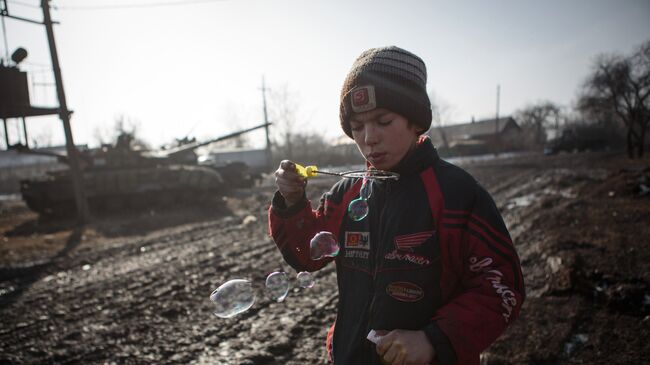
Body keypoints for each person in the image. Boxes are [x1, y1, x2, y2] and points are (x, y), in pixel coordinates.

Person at [268, 46, 525, 365]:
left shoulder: (457, 194)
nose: (368, 138)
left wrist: (433, 340)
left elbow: (499, 289)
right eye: (357, 127)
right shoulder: (348, 191)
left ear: (415, 121)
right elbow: (306, 256)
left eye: (383, 121)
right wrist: (292, 204)